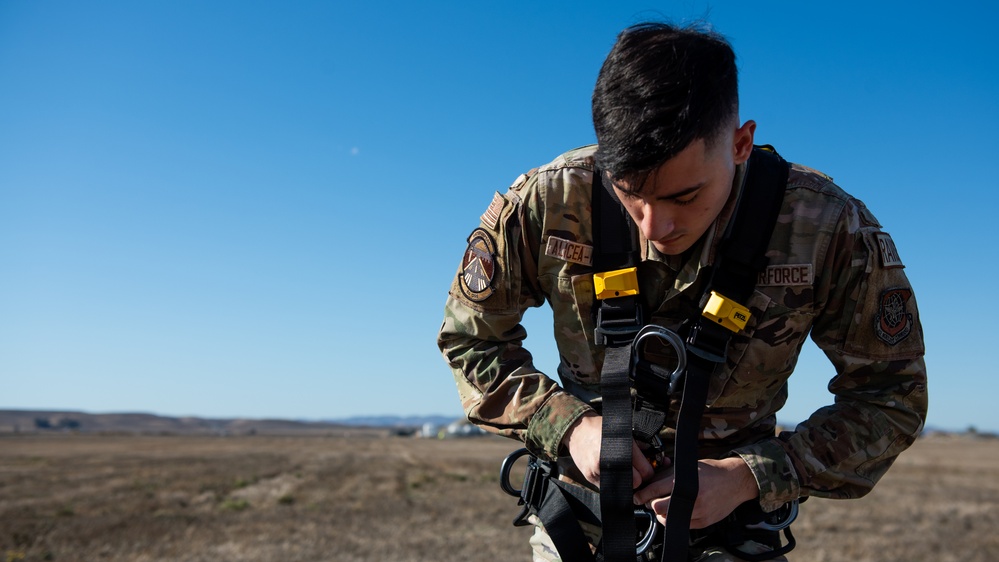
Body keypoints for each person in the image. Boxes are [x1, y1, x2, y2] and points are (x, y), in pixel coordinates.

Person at [437, 21, 927, 562]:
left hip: (734, 532)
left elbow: (891, 395)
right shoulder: (550, 202)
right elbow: (471, 342)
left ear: (740, 144)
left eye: (685, 196)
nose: (655, 227)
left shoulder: (825, 227)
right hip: (579, 523)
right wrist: (568, 427)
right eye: (630, 195)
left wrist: (748, 476)